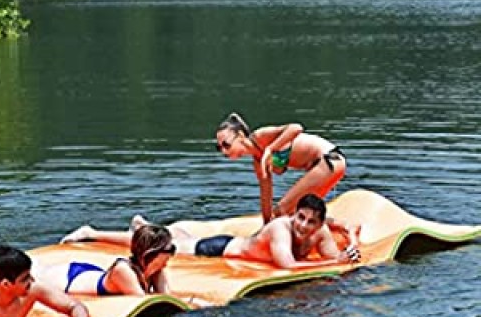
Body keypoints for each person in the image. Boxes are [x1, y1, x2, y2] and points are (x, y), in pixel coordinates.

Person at [61, 194, 361, 270]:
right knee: (159, 243)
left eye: (310, 221)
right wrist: (336, 262)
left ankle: (143, 224)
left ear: (320, 224)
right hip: (220, 249)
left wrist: (351, 247)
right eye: (300, 217)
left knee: (171, 236)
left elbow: (340, 253)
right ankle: (92, 233)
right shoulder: (280, 229)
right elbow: (289, 266)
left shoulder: (320, 233)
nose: (303, 225)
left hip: (227, 247)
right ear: (294, 214)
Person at [0, 225, 175, 297]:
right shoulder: (125, 272)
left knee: (37, 268)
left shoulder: (154, 269)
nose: (173, 253)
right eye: (170, 249)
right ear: (152, 252)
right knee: (30, 274)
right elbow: (146, 300)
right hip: (70, 281)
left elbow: (167, 297)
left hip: (91, 273)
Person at [215, 111, 348, 225]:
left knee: (283, 210)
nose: (224, 152)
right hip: (324, 167)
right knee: (300, 212)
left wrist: (270, 148)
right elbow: (266, 194)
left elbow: (296, 128)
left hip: (330, 160)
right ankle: (344, 227)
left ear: (240, 135)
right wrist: (267, 225)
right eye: (219, 147)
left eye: (226, 145)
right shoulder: (258, 162)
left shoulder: (261, 137)